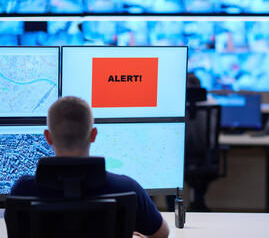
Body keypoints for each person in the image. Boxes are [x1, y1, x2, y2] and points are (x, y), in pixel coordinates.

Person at [9, 96, 170, 238]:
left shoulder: (22, 190)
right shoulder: (127, 188)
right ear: (93, 135)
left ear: (48, 138)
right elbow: (162, 234)